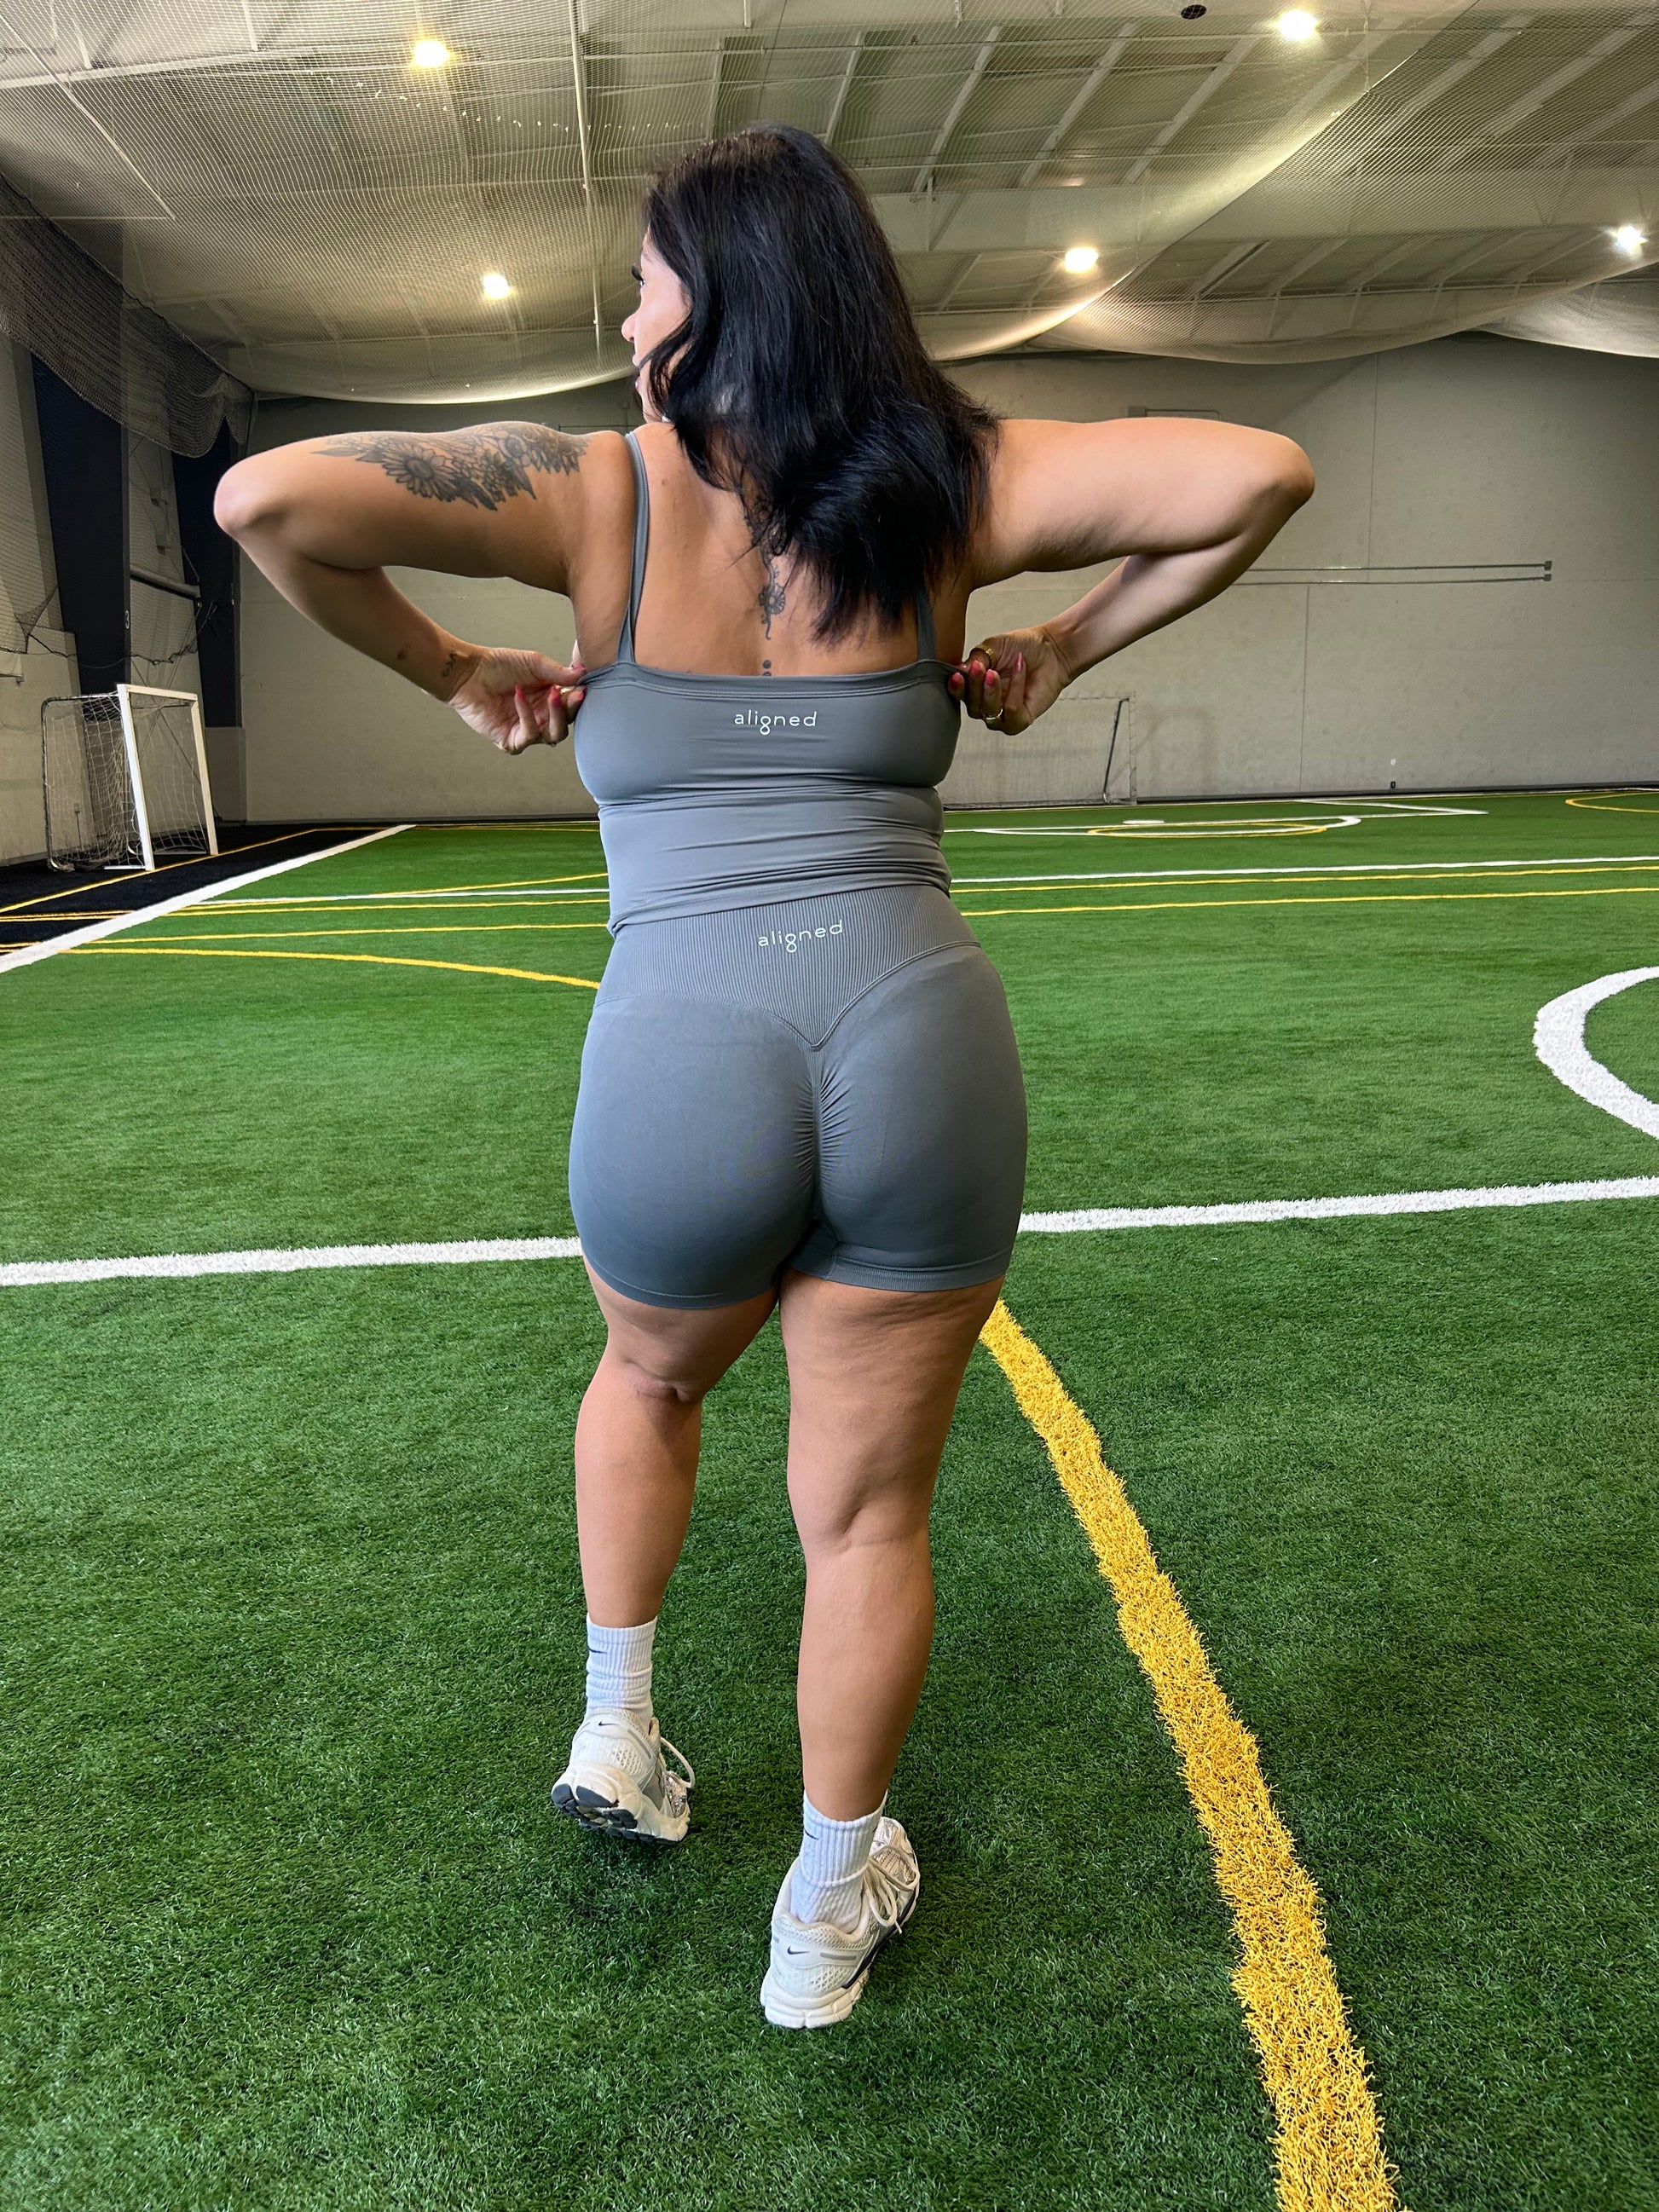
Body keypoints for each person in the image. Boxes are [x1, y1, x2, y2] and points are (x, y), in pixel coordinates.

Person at [217, 123, 1312, 2030]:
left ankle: (621, 1730)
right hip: (915, 1034)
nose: (623, 318)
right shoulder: (953, 483)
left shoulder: (595, 490)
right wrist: (1060, 645)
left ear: (715, 299)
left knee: (647, 1377)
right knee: (868, 1516)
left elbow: (267, 500)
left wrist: (451, 670)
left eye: (643, 282)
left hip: (680, 1049)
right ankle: (820, 1909)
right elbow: (1255, 473)